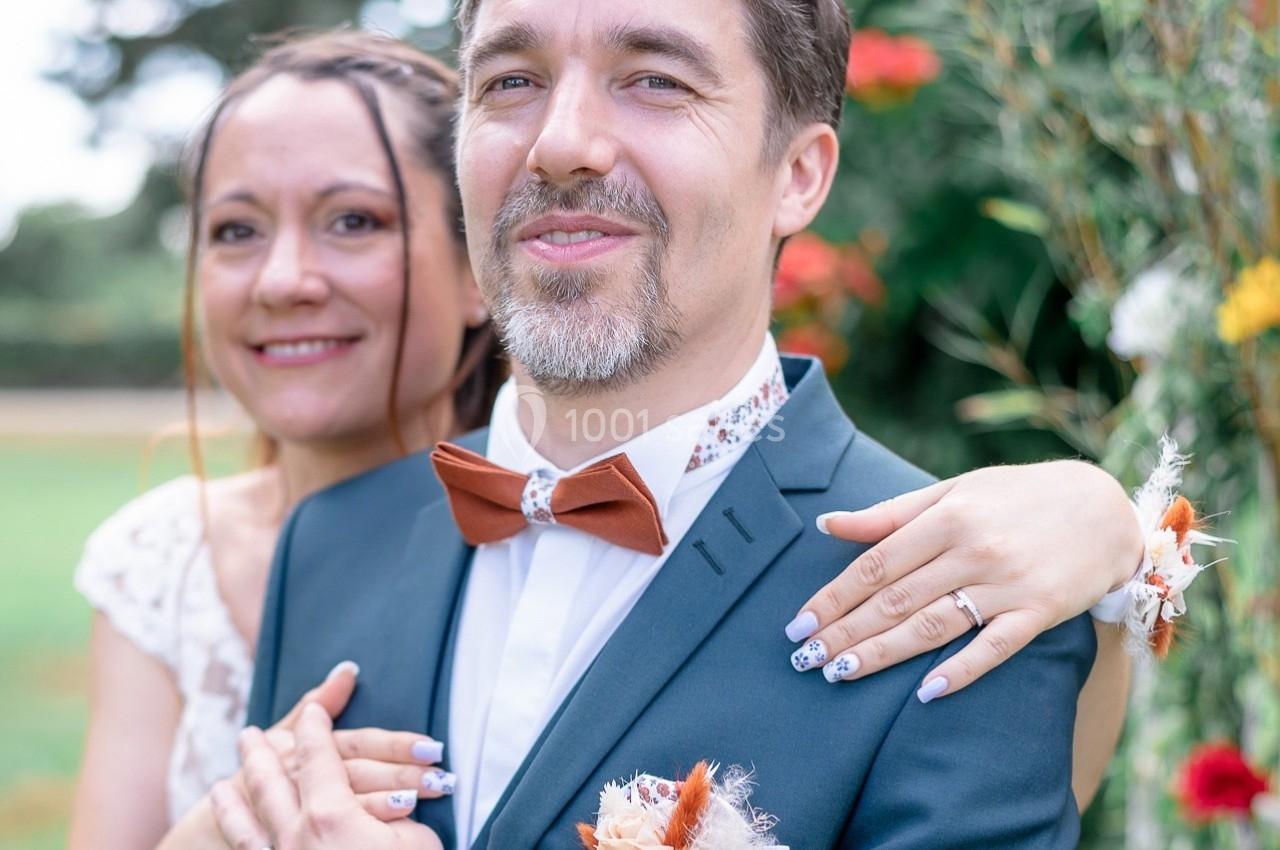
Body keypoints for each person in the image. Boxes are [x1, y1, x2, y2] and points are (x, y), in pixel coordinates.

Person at [223, 3, 1141, 849]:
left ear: (798, 175)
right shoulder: (328, 544)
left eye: (654, 79)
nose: (561, 143)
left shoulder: (964, 597)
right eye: (510, 81)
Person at [67, 33, 505, 850]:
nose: (283, 280)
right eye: (237, 231)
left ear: (479, 266)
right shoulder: (159, 560)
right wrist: (213, 833)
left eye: (352, 220)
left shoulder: (565, 526)